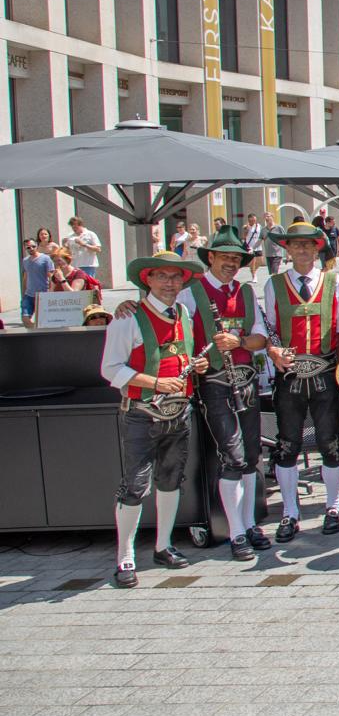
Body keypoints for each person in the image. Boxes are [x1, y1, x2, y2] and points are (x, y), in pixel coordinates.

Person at [100, 251, 210, 588]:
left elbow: (180, 357)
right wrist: (157, 383)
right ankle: (125, 556)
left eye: (175, 277)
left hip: (178, 412)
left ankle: (164, 546)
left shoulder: (184, 314)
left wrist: (197, 366)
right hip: (142, 414)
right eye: (162, 276)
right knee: (135, 485)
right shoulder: (126, 318)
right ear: (147, 279)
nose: (170, 283)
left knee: (170, 479)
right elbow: (110, 369)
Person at [178, 230, 270, 561]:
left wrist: (240, 343)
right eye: (225, 258)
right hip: (215, 382)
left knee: (250, 455)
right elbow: (178, 337)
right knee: (231, 455)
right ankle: (236, 533)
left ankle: (249, 524)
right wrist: (195, 359)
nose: (231, 264)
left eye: (236, 259)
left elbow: (261, 337)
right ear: (211, 258)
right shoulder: (191, 293)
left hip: (245, 379)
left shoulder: (246, 292)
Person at [263, 222, 339, 542]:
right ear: (286, 249)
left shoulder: (333, 281)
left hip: (326, 371)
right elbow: (269, 329)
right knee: (288, 443)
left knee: (330, 441)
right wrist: (274, 351)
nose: (302, 250)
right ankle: (290, 511)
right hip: (290, 375)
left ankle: (333, 505)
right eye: (295, 245)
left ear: (318, 249)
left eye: (308, 245)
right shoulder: (273, 283)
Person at [20, 240, 52, 324]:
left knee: (42, 321)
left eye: (33, 246)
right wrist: (23, 294)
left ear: (37, 246)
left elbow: (51, 276)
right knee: (25, 318)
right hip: (29, 294)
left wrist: (51, 292)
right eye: (28, 247)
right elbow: (25, 277)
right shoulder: (25, 260)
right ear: (25, 248)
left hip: (42, 294)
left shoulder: (45, 258)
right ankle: (33, 333)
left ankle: (38, 333)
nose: (31, 248)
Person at [241, 214, 264, 280]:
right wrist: (246, 230)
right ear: (248, 220)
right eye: (251, 220)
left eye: (254, 220)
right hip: (249, 246)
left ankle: (253, 271)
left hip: (258, 246)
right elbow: (244, 237)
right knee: (252, 261)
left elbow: (261, 235)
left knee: (260, 261)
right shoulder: (246, 227)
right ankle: (254, 276)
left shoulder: (259, 226)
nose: (253, 221)